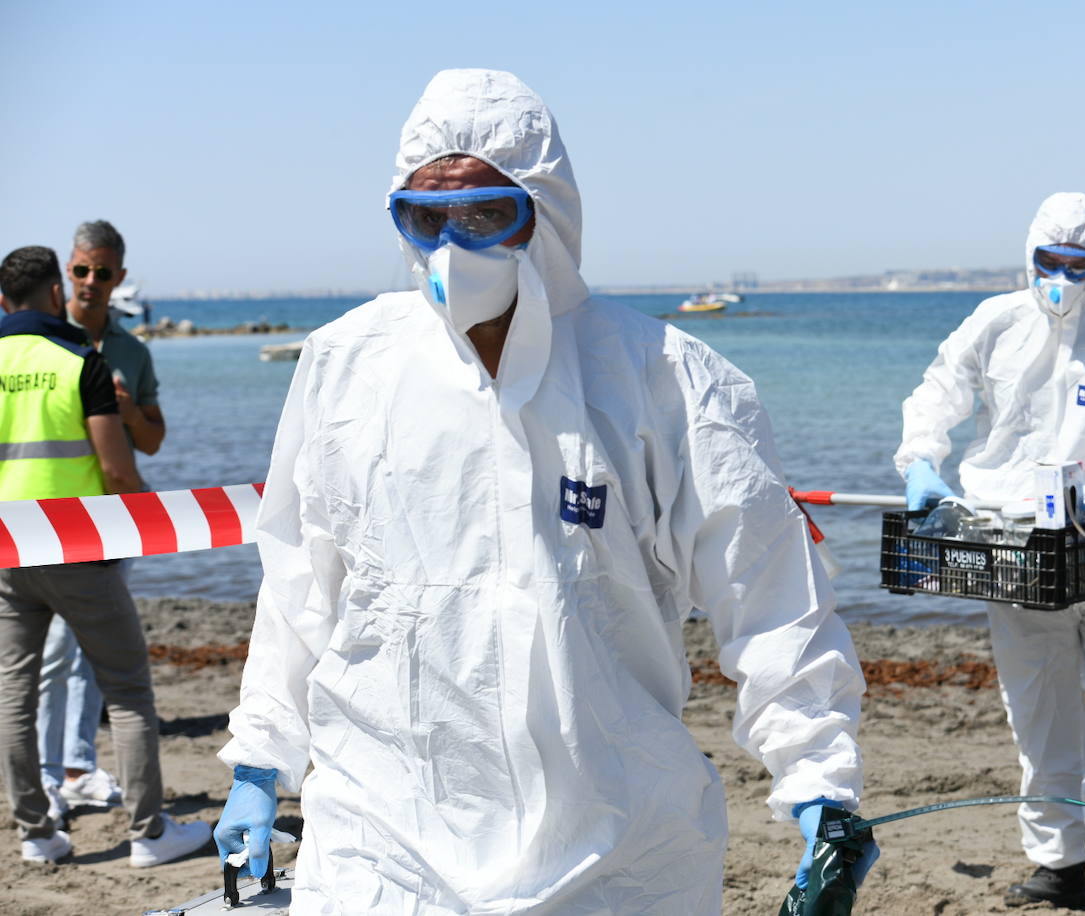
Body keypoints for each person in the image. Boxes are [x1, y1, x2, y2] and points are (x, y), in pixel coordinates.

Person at [214, 69, 873, 912]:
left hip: (615, 847)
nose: (455, 245)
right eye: (427, 217)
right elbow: (303, 583)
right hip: (383, 837)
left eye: (487, 213)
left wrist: (820, 784)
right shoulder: (346, 367)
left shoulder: (666, 381)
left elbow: (772, 596)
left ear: (547, 212)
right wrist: (263, 759)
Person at [894, 193, 1085, 916]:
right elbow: (938, 393)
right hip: (1014, 540)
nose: (1060, 276)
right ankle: (1057, 859)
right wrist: (919, 462)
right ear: (1028, 255)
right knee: (1038, 704)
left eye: (1077, 264)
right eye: (1048, 262)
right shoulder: (995, 322)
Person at [0, 245, 210, 865]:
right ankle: (148, 833)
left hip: (9, 547)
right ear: (54, 294)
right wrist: (150, 519)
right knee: (126, 690)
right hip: (77, 545)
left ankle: (36, 834)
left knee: (14, 693)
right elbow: (119, 471)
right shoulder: (78, 360)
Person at [36, 220, 166, 825]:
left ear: (119, 278)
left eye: (104, 273)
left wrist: (124, 410)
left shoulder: (132, 352)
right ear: (68, 270)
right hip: (48, 519)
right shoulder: (42, 345)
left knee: (85, 656)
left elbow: (154, 439)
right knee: (56, 652)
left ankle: (77, 766)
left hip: (112, 519)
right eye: (82, 270)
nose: (91, 282)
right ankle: (51, 773)